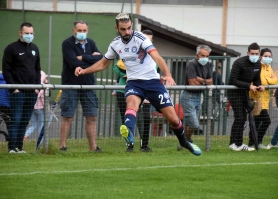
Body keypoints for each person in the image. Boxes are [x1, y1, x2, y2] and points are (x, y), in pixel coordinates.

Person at [75, 13, 202, 156]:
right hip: (134, 83)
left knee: (173, 118)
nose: (127, 32)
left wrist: (168, 74)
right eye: (123, 29)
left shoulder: (141, 39)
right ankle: (128, 133)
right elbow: (103, 64)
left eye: (129, 28)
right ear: (117, 28)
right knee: (131, 103)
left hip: (153, 83)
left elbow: (157, 57)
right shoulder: (115, 44)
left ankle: (184, 142)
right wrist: (84, 71)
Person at [59, 20, 103, 152]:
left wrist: (82, 58)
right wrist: (89, 59)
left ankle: (93, 147)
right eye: (79, 30)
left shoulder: (92, 43)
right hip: (71, 85)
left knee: (92, 117)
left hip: (88, 85)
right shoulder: (67, 43)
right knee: (67, 117)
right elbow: (71, 61)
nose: (82, 33)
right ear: (74, 30)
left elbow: (101, 59)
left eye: (84, 31)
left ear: (87, 31)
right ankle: (62, 146)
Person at [113, 29, 157, 152]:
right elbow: (116, 67)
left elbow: (155, 69)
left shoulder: (153, 55)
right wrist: (126, 74)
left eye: (149, 39)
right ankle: (129, 145)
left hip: (146, 91)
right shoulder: (128, 51)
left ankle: (144, 145)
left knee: (145, 119)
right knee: (126, 118)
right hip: (126, 90)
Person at [2, 22, 41, 153]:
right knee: (16, 120)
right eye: (26, 33)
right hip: (18, 92)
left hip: (32, 92)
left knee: (25, 121)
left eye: (31, 33)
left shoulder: (35, 48)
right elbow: (6, 70)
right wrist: (14, 88)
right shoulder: (11, 48)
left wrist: (37, 88)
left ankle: (20, 147)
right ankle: (12, 148)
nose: (29, 35)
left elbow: (37, 69)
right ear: (20, 33)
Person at [227, 42, 265, 152]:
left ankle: (234, 143)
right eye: (252, 53)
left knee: (242, 118)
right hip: (234, 92)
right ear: (248, 53)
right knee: (240, 117)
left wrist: (259, 85)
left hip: (244, 92)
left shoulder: (258, 64)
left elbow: (257, 78)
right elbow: (232, 80)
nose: (254, 55)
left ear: (259, 54)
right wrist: (249, 86)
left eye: (256, 53)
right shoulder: (239, 62)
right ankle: (236, 144)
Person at [178, 45, 212, 150]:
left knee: (189, 123)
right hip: (188, 96)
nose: (205, 58)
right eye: (203, 55)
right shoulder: (192, 64)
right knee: (194, 124)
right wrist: (204, 83)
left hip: (199, 96)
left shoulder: (208, 65)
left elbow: (211, 81)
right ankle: (186, 141)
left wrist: (200, 80)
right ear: (197, 55)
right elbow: (192, 83)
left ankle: (184, 142)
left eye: (207, 56)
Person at [248, 48, 278, 149]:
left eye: (269, 56)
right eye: (266, 56)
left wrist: (266, 80)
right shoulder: (257, 66)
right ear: (261, 57)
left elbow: (275, 80)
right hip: (257, 99)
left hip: (265, 100)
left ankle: (255, 142)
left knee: (259, 122)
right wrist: (266, 81)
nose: (268, 58)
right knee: (264, 121)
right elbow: (259, 81)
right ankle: (254, 142)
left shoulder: (269, 67)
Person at [23, 70, 48, 140]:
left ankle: (25, 135)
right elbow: (42, 98)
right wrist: (46, 107)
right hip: (40, 109)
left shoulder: (32, 85)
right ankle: (41, 138)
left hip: (32, 108)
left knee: (34, 124)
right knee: (42, 124)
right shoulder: (42, 87)